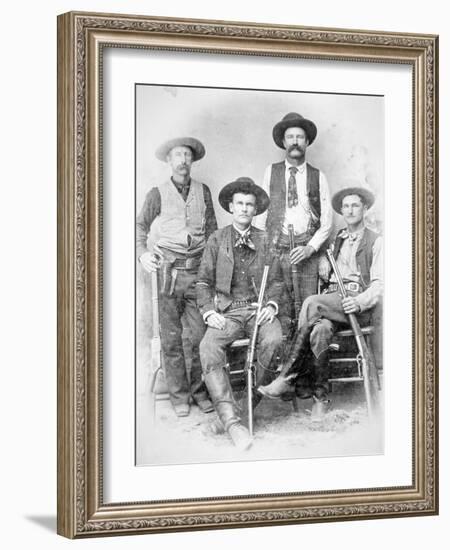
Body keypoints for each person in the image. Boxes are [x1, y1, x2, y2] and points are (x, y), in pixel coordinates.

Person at [258, 186, 382, 408]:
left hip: (355, 305)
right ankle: (320, 398)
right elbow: (329, 263)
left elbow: (379, 285)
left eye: (355, 205)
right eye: (346, 206)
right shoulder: (339, 239)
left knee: (311, 302)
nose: (350, 210)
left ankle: (290, 377)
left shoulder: (377, 241)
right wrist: (324, 259)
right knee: (320, 330)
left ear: (364, 208)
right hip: (332, 301)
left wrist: (360, 302)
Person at [197, 177, 284, 450]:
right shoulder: (217, 239)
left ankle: (238, 412)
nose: (245, 208)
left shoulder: (266, 239)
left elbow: (277, 282)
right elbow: (202, 282)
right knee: (208, 347)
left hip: (258, 310)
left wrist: (271, 306)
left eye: (249, 204)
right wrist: (209, 311)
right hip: (229, 312)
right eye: (240, 204)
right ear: (231, 207)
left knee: (274, 341)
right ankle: (234, 424)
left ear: (255, 209)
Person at [136, 136, 218, 417]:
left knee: (198, 336)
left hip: (197, 273)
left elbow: (212, 234)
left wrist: (210, 268)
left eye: (187, 156)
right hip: (168, 273)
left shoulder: (203, 191)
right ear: (169, 161)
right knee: (171, 338)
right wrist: (142, 253)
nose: (183, 161)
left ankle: (199, 392)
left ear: (192, 161)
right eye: (177, 156)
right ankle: (179, 396)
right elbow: (139, 227)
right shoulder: (156, 193)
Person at [255, 112, 333, 329]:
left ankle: (304, 362)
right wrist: (262, 250)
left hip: (306, 253)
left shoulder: (319, 176)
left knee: (307, 310)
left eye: (300, 137)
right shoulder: (271, 172)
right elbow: (261, 213)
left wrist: (310, 249)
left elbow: (327, 221)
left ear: (307, 142)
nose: (295, 142)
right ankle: (284, 362)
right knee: (280, 306)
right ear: (283, 142)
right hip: (277, 251)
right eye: (290, 137)